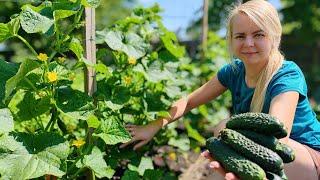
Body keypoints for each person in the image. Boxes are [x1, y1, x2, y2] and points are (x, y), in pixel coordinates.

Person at [120, 0, 320, 179]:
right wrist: (153, 126)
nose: (248, 43)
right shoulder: (233, 72)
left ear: (274, 37)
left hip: (303, 157)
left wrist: (225, 137)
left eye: (258, 34)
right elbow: (189, 101)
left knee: (225, 128)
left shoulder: (287, 75)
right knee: (224, 135)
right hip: (258, 155)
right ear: (231, 40)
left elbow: (278, 139)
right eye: (240, 36)